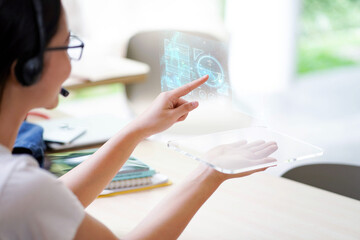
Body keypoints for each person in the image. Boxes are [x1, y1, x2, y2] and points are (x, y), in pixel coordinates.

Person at [0, 0, 278, 239]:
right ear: (27, 66)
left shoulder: (20, 189)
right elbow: (33, 199)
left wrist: (138, 128)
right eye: (65, 45)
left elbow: (49, 204)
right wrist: (210, 173)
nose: (72, 63)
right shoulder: (18, 187)